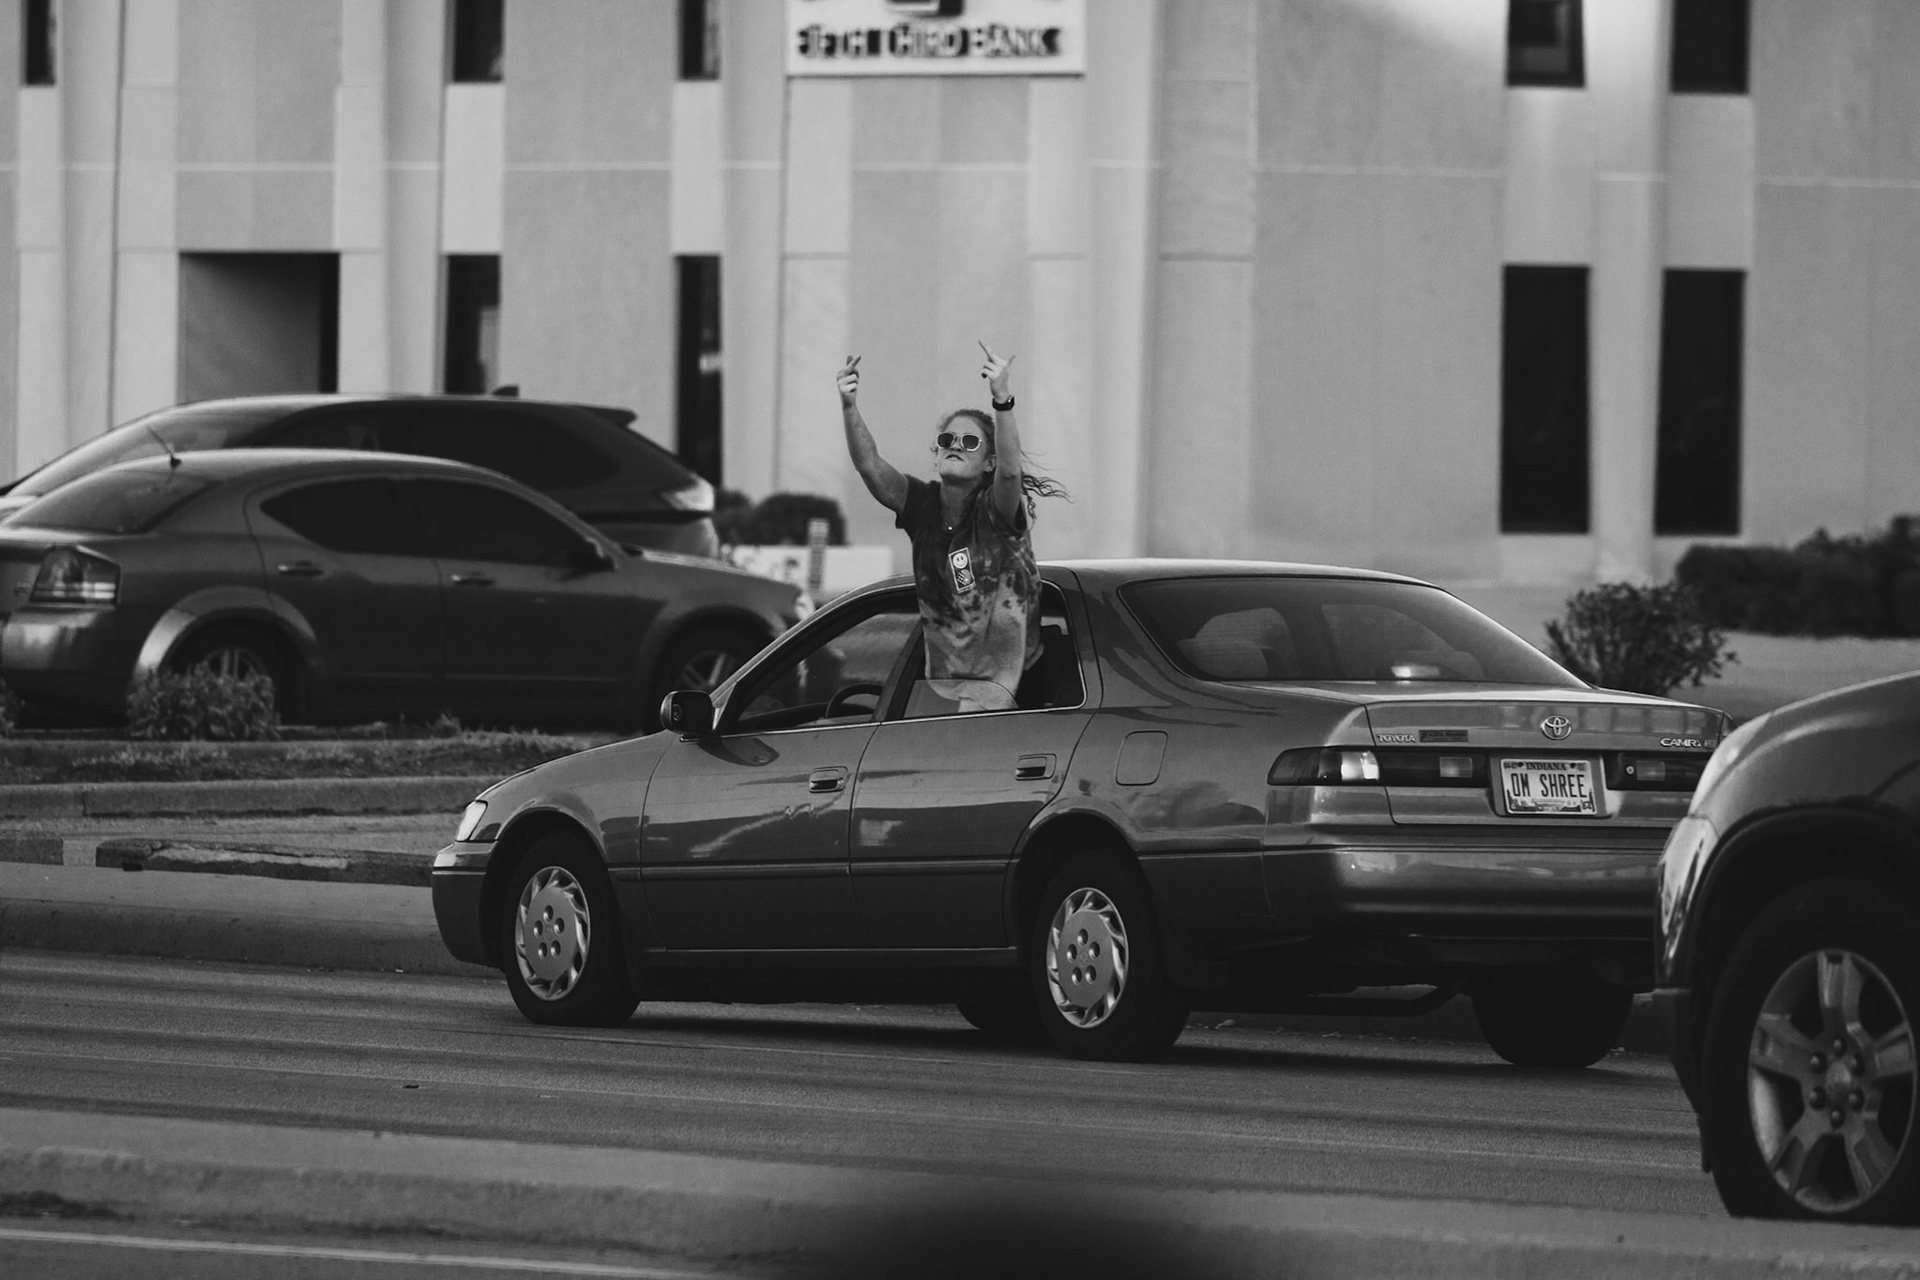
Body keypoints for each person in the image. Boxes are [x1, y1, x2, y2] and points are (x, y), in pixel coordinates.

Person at [837, 343, 1064, 713]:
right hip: (952, 689)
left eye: (970, 442)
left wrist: (1002, 400)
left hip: (1019, 689)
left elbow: (1011, 473)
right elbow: (870, 466)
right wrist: (849, 407)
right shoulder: (921, 506)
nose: (955, 445)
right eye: (947, 440)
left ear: (988, 462)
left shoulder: (995, 511)